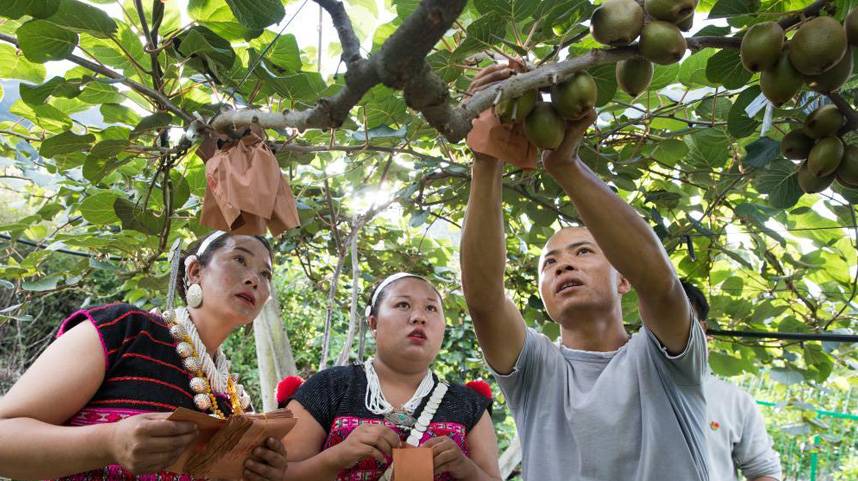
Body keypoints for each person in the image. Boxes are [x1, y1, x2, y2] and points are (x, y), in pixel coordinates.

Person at [460, 64, 710, 481]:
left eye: (582, 251)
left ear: (623, 278)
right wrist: (486, 157)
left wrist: (565, 165)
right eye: (550, 262)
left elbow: (662, 284)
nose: (564, 265)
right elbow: (484, 300)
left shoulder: (666, 358)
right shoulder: (536, 371)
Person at [0, 231, 288, 481]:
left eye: (266, 274)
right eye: (240, 259)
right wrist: (108, 443)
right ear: (195, 272)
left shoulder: (236, 401)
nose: (253, 279)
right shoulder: (125, 329)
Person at [280, 273, 501, 481]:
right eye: (403, 305)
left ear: (443, 328)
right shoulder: (328, 387)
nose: (419, 317)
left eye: (431, 308)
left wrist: (468, 470)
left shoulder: (469, 404)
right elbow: (275, 474)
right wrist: (337, 457)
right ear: (374, 324)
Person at [681, 280, 782, 481]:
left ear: (703, 330)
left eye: (681, 320)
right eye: (660, 320)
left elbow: (764, 472)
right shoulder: (624, 387)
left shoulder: (735, 401)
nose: (670, 331)